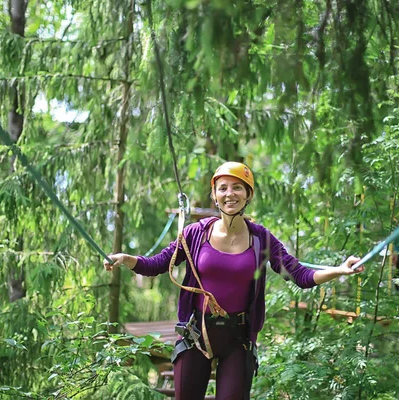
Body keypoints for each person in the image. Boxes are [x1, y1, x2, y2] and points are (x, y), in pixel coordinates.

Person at [104, 161, 364, 400]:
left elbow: (301, 276)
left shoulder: (261, 239)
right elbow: (158, 264)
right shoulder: (195, 234)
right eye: (223, 188)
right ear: (215, 195)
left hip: (238, 338)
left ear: (248, 194)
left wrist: (340, 270)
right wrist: (126, 258)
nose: (230, 193)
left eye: (238, 187)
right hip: (197, 334)